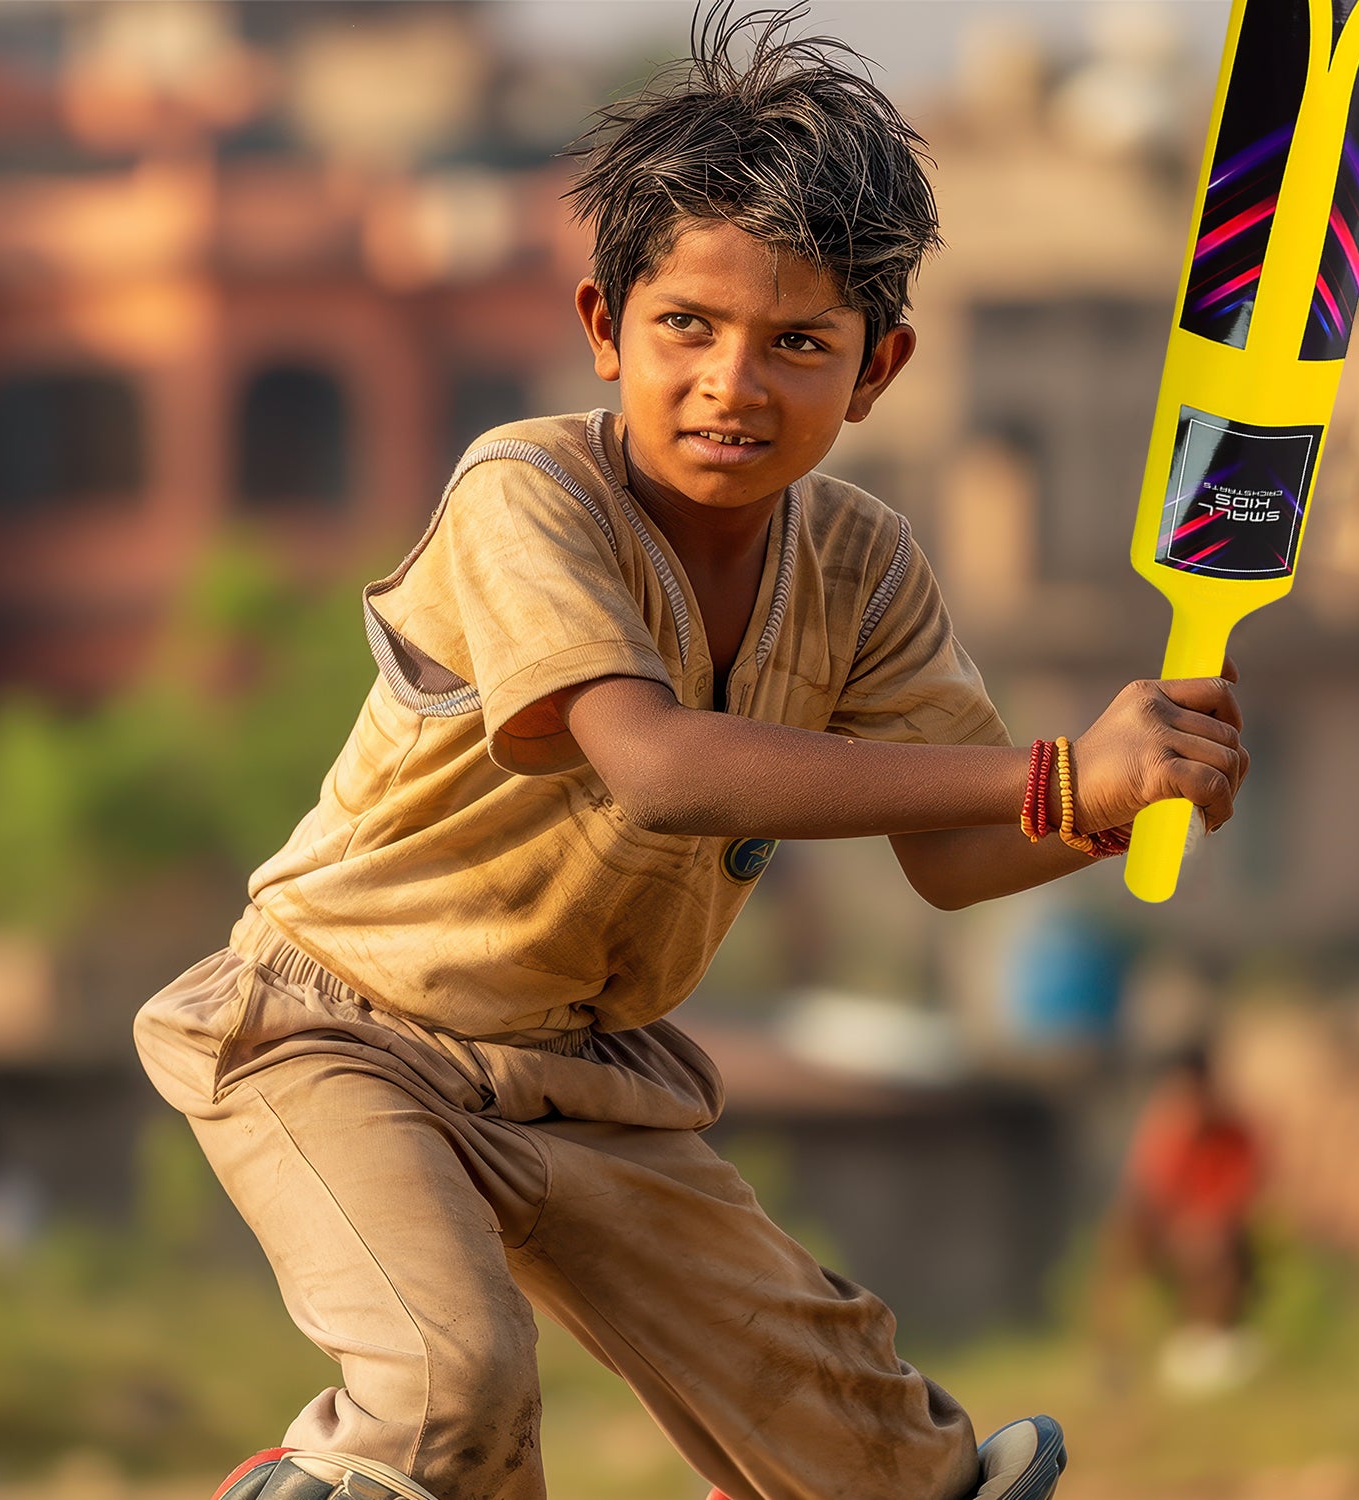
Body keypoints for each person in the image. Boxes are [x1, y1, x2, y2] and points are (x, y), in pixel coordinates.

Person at [135, 7, 1248, 1498]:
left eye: (798, 343)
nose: (734, 382)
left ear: (878, 368)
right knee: (447, 1395)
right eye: (688, 329)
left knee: (875, 1452)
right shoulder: (525, 490)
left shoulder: (864, 562)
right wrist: (1053, 772)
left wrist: (1122, 789)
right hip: (343, 1034)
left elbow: (959, 858)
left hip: (591, 1080)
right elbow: (656, 766)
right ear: (605, 327)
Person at [1103, 1045, 1263, 1395]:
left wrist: (1204, 1226)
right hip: (1171, 1236)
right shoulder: (1165, 1135)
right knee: (1118, 1242)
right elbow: (1148, 1198)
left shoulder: (1234, 1134)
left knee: (1215, 1250)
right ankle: (1113, 1354)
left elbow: (1241, 1198)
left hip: (1221, 1238)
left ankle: (1212, 1336)